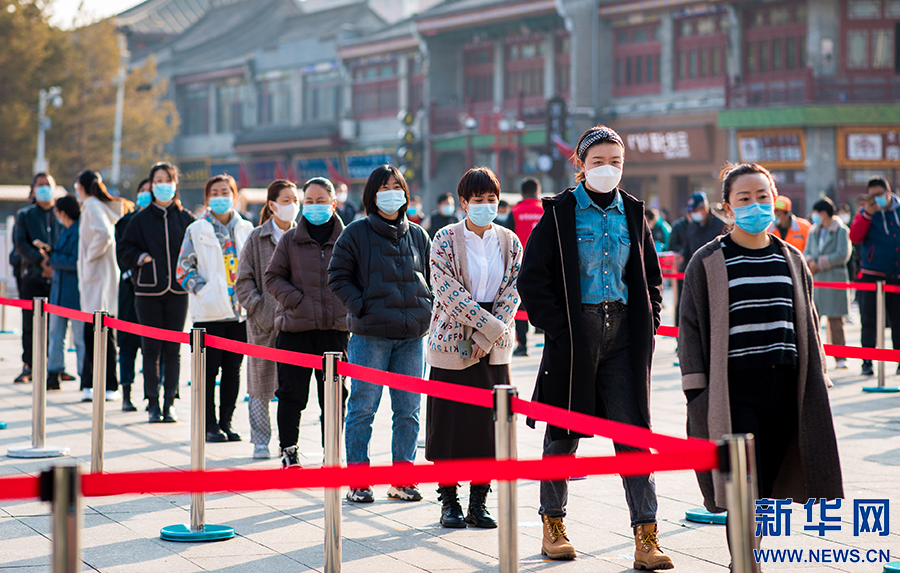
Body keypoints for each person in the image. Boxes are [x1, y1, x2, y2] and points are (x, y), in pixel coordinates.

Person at [518, 126, 671, 569]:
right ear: (581, 165)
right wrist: (560, 330)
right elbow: (533, 279)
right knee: (562, 436)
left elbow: (651, 278)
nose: (608, 169)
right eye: (598, 161)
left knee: (634, 437)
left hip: (624, 337)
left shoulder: (633, 212)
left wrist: (650, 324)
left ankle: (646, 536)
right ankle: (553, 525)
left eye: (616, 162)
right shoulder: (560, 212)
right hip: (575, 334)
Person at [678, 163, 843, 565]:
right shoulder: (708, 260)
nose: (755, 205)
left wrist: (818, 376)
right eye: (745, 198)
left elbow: (808, 322)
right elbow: (690, 327)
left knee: (769, 483)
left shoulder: (791, 257)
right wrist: (695, 388)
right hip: (734, 390)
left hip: (785, 384)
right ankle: (744, 563)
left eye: (762, 197)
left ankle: (752, 556)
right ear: (727, 207)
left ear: (775, 200)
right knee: (740, 485)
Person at [328, 165, 432, 503]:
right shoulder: (355, 233)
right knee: (363, 408)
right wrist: (362, 306)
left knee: (408, 410)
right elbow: (337, 277)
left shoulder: (418, 234)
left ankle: (403, 479)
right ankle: (359, 481)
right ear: (372, 195)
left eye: (397, 187)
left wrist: (426, 308)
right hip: (370, 335)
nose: (392, 193)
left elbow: (432, 276)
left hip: (412, 337)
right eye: (384, 188)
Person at [426, 166, 522, 529]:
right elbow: (447, 291)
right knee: (448, 424)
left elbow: (513, 291)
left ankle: (478, 502)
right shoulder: (445, 239)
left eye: (491, 199)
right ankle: (449, 500)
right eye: (478, 199)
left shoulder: (510, 241)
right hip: (452, 339)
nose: (485, 205)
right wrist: (488, 328)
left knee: (488, 427)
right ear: (463, 202)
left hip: (494, 346)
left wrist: (486, 337)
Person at [265, 177, 349, 468]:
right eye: (309, 201)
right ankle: (289, 451)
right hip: (296, 328)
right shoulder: (290, 239)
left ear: (333, 203)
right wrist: (297, 300)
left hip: (335, 331)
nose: (315, 206)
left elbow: (359, 278)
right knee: (291, 394)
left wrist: (346, 304)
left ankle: (332, 454)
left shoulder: (348, 238)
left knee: (334, 396)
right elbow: (272, 277)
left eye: (321, 200)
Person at [178, 174, 254, 442]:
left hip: (239, 313)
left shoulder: (246, 228)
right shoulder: (196, 229)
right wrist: (204, 291)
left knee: (233, 371)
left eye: (225, 192)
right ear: (207, 197)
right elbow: (183, 269)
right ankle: (209, 425)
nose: (220, 197)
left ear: (234, 195)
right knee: (208, 373)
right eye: (215, 193)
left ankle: (226, 423)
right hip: (209, 314)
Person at [120, 163, 196, 422]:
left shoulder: (186, 219)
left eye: (167, 180)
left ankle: (169, 402)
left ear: (175, 183)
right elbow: (124, 249)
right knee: (150, 349)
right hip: (147, 293)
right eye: (158, 181)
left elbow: (197, 251)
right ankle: (152, 403)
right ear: (152, 185)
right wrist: (141, 258)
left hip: (177, 291)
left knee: (173, 350)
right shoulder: (139, 219)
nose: (163, 185)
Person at [235, 179, 299, 460]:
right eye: (286, 201)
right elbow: (243, 281)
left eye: (295, 200)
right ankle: (260, 440)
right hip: (262, 322)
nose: (292, 206)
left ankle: (289, 442)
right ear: (272, 205)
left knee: (291, 386)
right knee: (259, 383)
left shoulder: (301, 236)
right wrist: (258, 308)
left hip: (295, 322)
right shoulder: (256, 237)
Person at [75, 170, 129, 402]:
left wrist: (89, 258)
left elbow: (105, 234)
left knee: (96, 333)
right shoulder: (95, 205)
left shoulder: (91, 205)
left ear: (81, 187)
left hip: (97, 277)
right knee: (99, 333)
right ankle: (98, 384)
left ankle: (102, 384)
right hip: (100, 278)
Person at [849, 176, 900, 377]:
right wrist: (867, 215)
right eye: (871, 196)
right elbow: (854, 237)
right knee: (868, 319)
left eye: (879, 195)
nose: (875, 200)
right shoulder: (864, 213)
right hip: (871, 275)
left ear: (888, 192)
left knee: (898, 320)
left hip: (896, 275)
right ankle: (867, 362)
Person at [14, 172, 61, 384]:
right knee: (30, 323)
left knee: (56, 324)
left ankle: (54, 366)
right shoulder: (25, 215)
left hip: (58, 276)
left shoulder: (61, 213)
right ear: (32, 190)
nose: (44, 189)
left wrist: (55, 263)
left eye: (48, 184)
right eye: (40, 185)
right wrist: (41, 262)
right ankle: (29, 365)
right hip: (32, 276)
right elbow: (20, 244)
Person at [114, 178, 151, 412]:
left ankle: (152, 396)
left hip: (155, 292)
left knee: (152, 346)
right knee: (128, 344)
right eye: (143, 191)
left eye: (151, 191)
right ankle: (126, 392)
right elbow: (121, 254)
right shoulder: (125, 223)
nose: (146, 195)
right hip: (130, 289)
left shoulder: (160, 223)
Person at [804, 197, 852, 370]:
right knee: (813, 320)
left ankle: (840, 357)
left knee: (836, 319)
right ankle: (815, 358)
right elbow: (806, 251)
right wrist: (810, 261)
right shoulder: (814, 230)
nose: (814, 216)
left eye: (816, 213)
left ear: (823, 213)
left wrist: (821, 263)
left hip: (834, 279)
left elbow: (843, 254)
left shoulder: (841, 230)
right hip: (817, 281)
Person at [43, 195, 85, 391]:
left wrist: (53, 258)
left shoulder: (79, 231)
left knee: (79, 338)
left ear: (64, 212)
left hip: (74, 293)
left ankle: (85, 375)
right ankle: (54, 371)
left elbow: (76, 261)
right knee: (55, 334)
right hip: (59, 292)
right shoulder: (66, 230)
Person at [510, 176, 543, 357]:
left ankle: (522, 345)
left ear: (521, 193)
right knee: (545, 301)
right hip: (545, 265)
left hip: (520, 265)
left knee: (520, 305)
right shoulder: (546, 209)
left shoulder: (515, 211)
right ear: (538, 191)